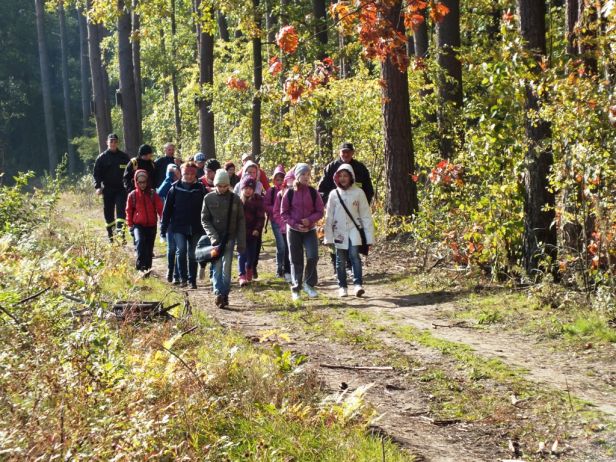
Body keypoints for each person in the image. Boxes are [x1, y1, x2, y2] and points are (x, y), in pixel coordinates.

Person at [318, 142, 374, 272]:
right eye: (343, 152)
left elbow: (368, 190)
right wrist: (329, 204)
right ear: (339, 153)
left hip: (354, 211)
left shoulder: (360, 168)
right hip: (335, 212)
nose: (346, 154)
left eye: (348, 152)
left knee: (353, 239)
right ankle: (337, 266)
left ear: (353, 153)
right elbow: (321, 190)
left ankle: (350, 266)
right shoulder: (331, 167)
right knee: (335, 239)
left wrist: (362, 205)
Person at [323, 164, 374, 297]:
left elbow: (365, 215)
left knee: (354, 256)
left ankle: (358, 284)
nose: (343, 178)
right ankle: (342, 286)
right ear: (337, 178)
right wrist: (328, 237)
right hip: (338, 232)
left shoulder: (359, 192)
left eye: (346, 175)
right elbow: (329, 217)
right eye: (340, 176)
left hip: (354, 230)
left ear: (351, 177)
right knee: (340, 260)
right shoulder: (334, 194)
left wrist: (369, 237)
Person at [201, 169, 246, 309]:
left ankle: (225, 293)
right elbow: (205, 220)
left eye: (225, 186)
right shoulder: (208, 198)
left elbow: (241, 221)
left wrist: (241, 242)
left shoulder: (235, 199)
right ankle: (218, 292)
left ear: (228, 185)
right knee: (217, 266)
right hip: (215, 240)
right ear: (215, 185)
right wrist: (213, 237)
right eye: (219, 186)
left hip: (230, 238)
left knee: (226, 267)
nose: (222, 189)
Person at [281, 163, 324, 301]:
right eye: (303, 174)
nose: (306, 177)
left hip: (310, 230)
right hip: (293, 231)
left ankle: (308, 284)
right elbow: (284, 213)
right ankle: (296, 288)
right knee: (295, 259)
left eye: (308, 174)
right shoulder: (290, 192)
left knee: (313, 256)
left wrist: (310, 220)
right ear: (297, 176)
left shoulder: (313, 192)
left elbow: (320, 211)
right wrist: (295, 224)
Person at [160, 162, 207, 289]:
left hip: (196, 227)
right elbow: (167, 210)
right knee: (181, 251)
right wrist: (163, 230)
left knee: (192, 253)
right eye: (186, 173)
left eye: (192, 174)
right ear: (182, 174)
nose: (189, 176)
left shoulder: (200, 189)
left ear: (195, 174)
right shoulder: (174, 189)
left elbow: (207, 208)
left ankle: (192, 281)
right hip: (178, 226)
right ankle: (183, 278)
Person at [93, 133, 131, 242]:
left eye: (115, 142)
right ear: (107, 143)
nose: (113, 144)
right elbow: (96, 174)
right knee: (108, 213)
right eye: (111, 142)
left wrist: (130, 187)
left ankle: (121, 235)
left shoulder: (124, 157)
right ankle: (111, 237)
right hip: (108, 190)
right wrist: (98, 186)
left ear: (117, 143)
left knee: (121, 213)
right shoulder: (101, 158)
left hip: (121, 190)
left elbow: (130, 172)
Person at [126, 170, 163, 274]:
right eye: (140, 182)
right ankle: (140, 268)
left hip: (151, 226)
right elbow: (128, 211)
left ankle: (147, 270)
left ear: (147, 182)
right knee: (140, 242)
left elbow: (160, 208)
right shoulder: (132, 195)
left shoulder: (152, 194)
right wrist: (130, 225)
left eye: (144, 182)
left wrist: (163, 221)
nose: (142, 184)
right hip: (138, 225)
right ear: (136, 182)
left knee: (149, 249)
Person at [237, 176, 265, 286]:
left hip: (253, 233)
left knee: (251, 255)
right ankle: (241, 275)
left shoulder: (257, 200)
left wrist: (257, 229)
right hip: (241, 233)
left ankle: (249, 268)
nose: (248, 190)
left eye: (250, 188)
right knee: (241, 254)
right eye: (246, 188)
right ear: (242, 189)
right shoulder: (238, 201)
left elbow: (261, 217)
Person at [157, 164, 181, 284]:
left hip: (182, 221)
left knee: (179, 249)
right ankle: (170, 270)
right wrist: (169, 176)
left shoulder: (183, 183)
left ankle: (177, 274)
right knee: (171, 248)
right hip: (170, 221)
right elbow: (160, 193)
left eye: (176, 171)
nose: (175, 174)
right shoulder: (167, 185)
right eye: (172, 172)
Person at [264, 165, 287, 278]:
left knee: (287, 245)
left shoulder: (289, 190)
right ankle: (279, 268)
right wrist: (275, 209)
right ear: (274, 180)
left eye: (281, 179)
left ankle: (286, 268)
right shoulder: (271, 191)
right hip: (275, 221)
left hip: (287, 222)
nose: (279, 181)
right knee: (281, 245)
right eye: (277, 179)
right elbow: (266, 205)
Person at [272, 170, 294, 282]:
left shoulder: (300, 195)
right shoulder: (280, 195)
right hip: (285, 228)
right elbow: (276, 211)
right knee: (285, 249)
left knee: (295, 250)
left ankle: (295, 271)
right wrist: (282, 223)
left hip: (297, 227)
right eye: (288, 185)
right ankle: (286, 271)